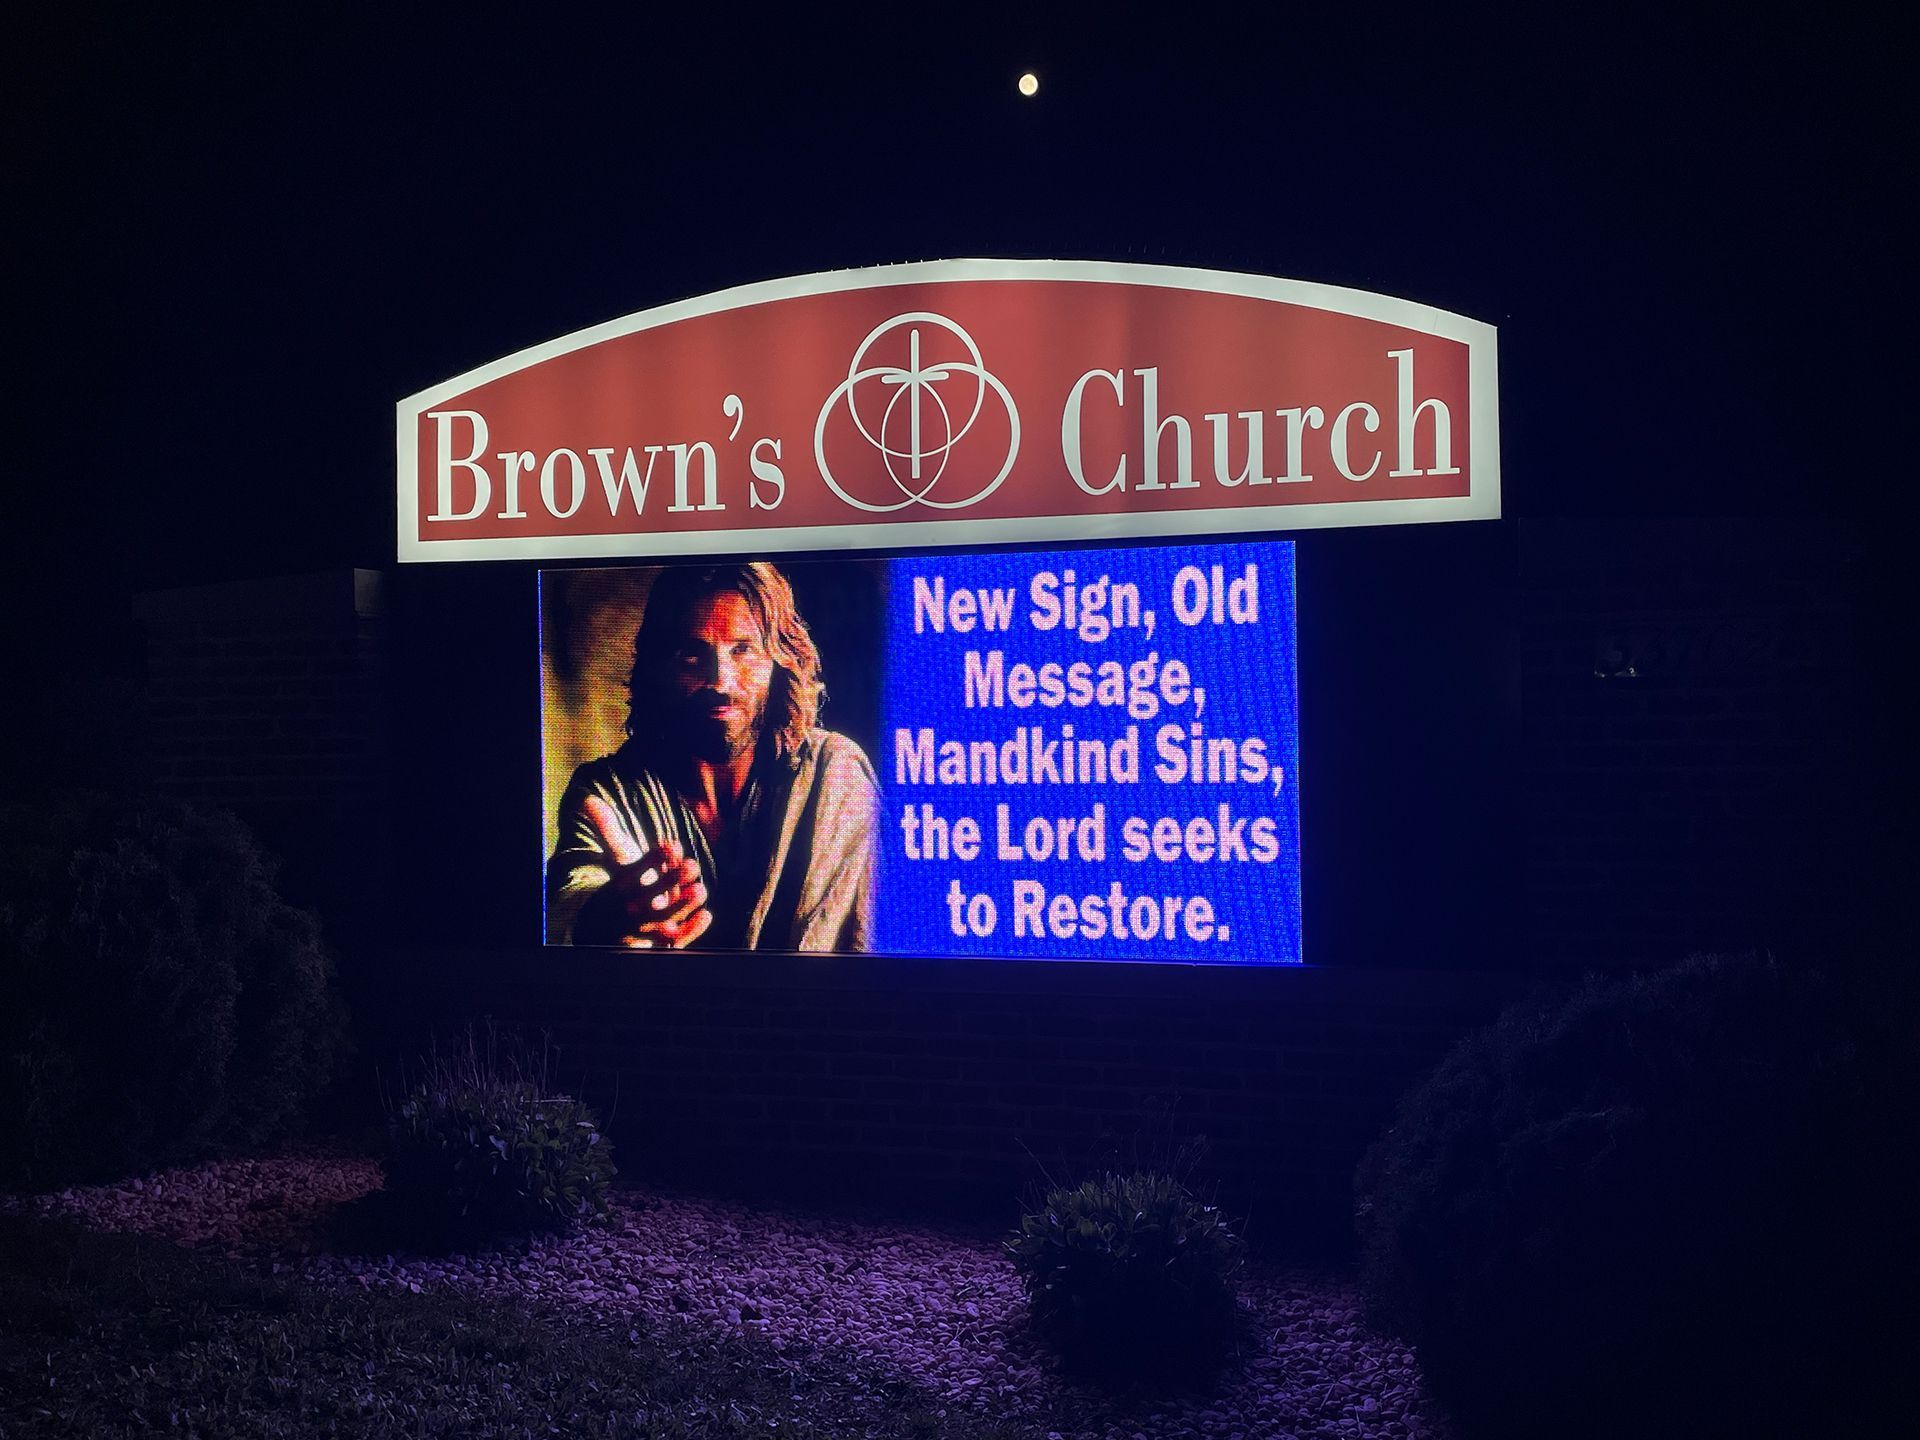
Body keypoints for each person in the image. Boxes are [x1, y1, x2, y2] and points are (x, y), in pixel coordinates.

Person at [546, 562, 879, 951]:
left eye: (743, 650)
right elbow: (570, 900)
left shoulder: (833, 774)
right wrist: (610, 915)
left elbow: (862, 947)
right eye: (692, 653)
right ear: (660, 665)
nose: (720, 680)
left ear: (779, 660)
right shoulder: (609, 793)